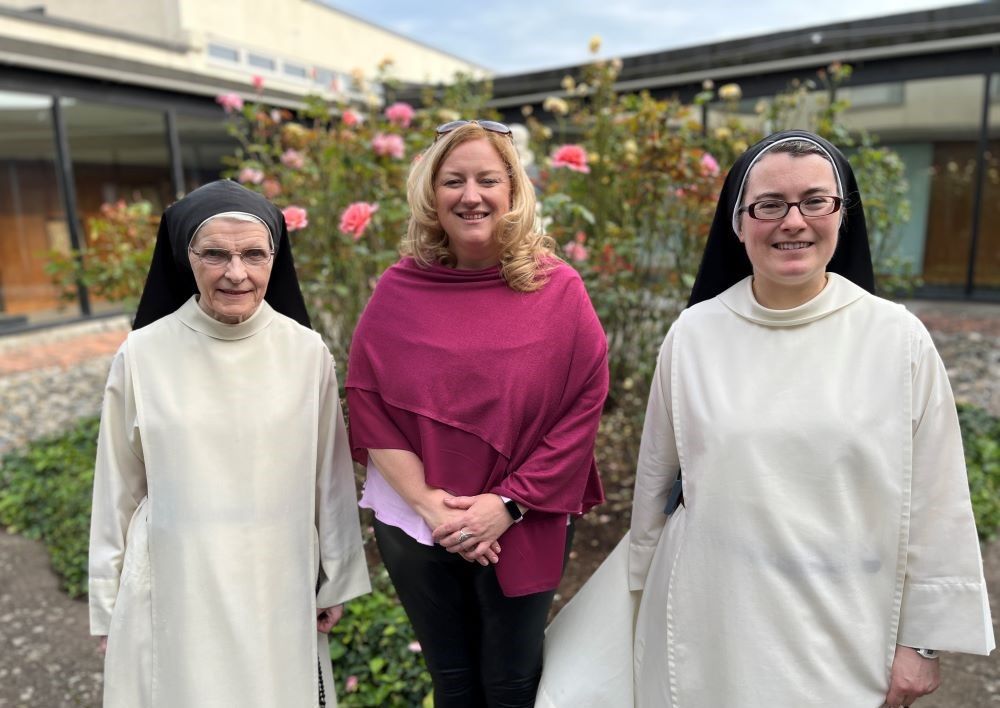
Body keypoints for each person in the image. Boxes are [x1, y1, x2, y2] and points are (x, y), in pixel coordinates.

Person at [622, 130, 994, 706]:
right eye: (769, 205)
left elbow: (938, 499)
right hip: (715, 614)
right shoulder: (693, 335)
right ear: (738, 223)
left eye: (815, 201)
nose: (792, 221)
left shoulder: (897, 339)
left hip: (848, 623)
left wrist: (921, 644)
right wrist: (639, 596)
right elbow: (656, 479)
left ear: (842, 214)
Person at [346, 119, 609, 707]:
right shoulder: (397, 289)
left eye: (488, 179)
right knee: (454, 681)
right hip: (416, 520)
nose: (471, 196)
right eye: (453, 181)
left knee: (512, 682)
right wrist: (427, 503)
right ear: (430, 194)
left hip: (525, 511)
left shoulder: (558, 290)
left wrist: (506, 505)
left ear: (512, 191)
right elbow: (365, 398)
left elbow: (583, 406)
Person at [88, 180, 371, 707]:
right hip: (176, 582)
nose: (235, 273)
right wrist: (106, 606)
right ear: (185, 258)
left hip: (278, 581)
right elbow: (117, 489)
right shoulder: (142, 355)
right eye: (215, 254)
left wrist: (336, 578)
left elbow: (328, 477)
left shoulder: (306, 353)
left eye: (253, 254)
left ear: (274, 258)